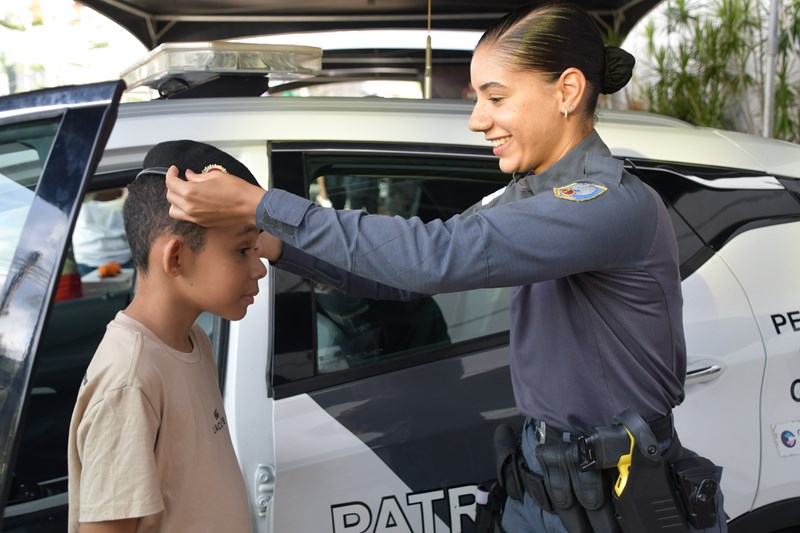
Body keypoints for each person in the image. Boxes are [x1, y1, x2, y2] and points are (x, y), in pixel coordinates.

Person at [164, 4, 726, 532]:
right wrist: (273, 241)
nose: (478, 120)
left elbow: (435, 256)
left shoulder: (605, 204)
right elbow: (398, 275)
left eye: (496, 98)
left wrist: (259, 203)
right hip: (547, 483)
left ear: (568, 90)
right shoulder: (530, 196)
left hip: (614, 497)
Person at [67, 140, 265, 533]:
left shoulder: (192, 340)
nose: (259, 268)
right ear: (175, 258)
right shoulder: (131, 382)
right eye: (243, 250)